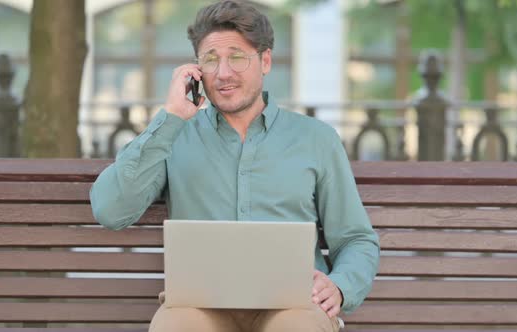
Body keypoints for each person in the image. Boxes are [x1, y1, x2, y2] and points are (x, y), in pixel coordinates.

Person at [90, 1, 379, 331]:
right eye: (210, 60)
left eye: (237, 57)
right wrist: (169, 118)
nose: (223, 73)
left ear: (265, 60)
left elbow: (357, 239)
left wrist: (340, 285)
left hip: (294, 306)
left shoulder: (316, 139)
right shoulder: (173, 136)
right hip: (200, 307)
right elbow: (110, 210)